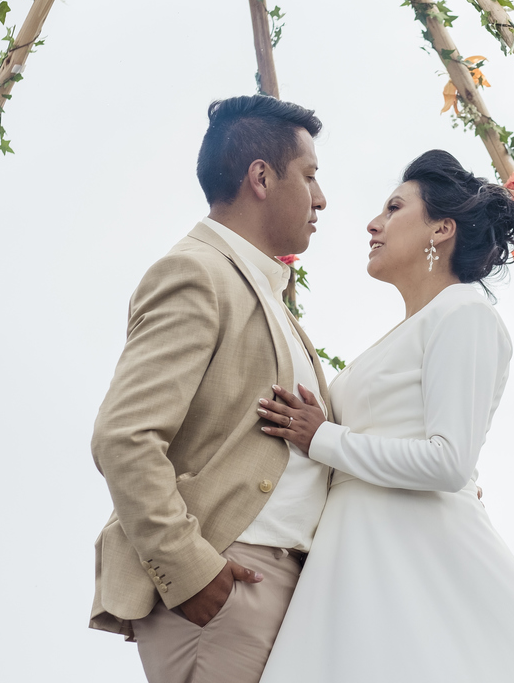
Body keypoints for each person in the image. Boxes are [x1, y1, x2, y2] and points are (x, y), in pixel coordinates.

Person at [255, 150, 514, 682]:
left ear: (441, 228)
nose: (373, 224)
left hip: (416, 553)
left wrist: (323, 437)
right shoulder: (408, 330)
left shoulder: (465, 312)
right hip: (353, 554)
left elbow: (448, 462)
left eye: (393, 208)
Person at [89, 94, 333, 683]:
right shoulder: (196, 272)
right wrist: (190, 570)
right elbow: (123, 436)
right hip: (232, 583)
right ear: (261, 177)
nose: (321, 197)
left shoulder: (264, 289)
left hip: (288, 587)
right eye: (309, 176)